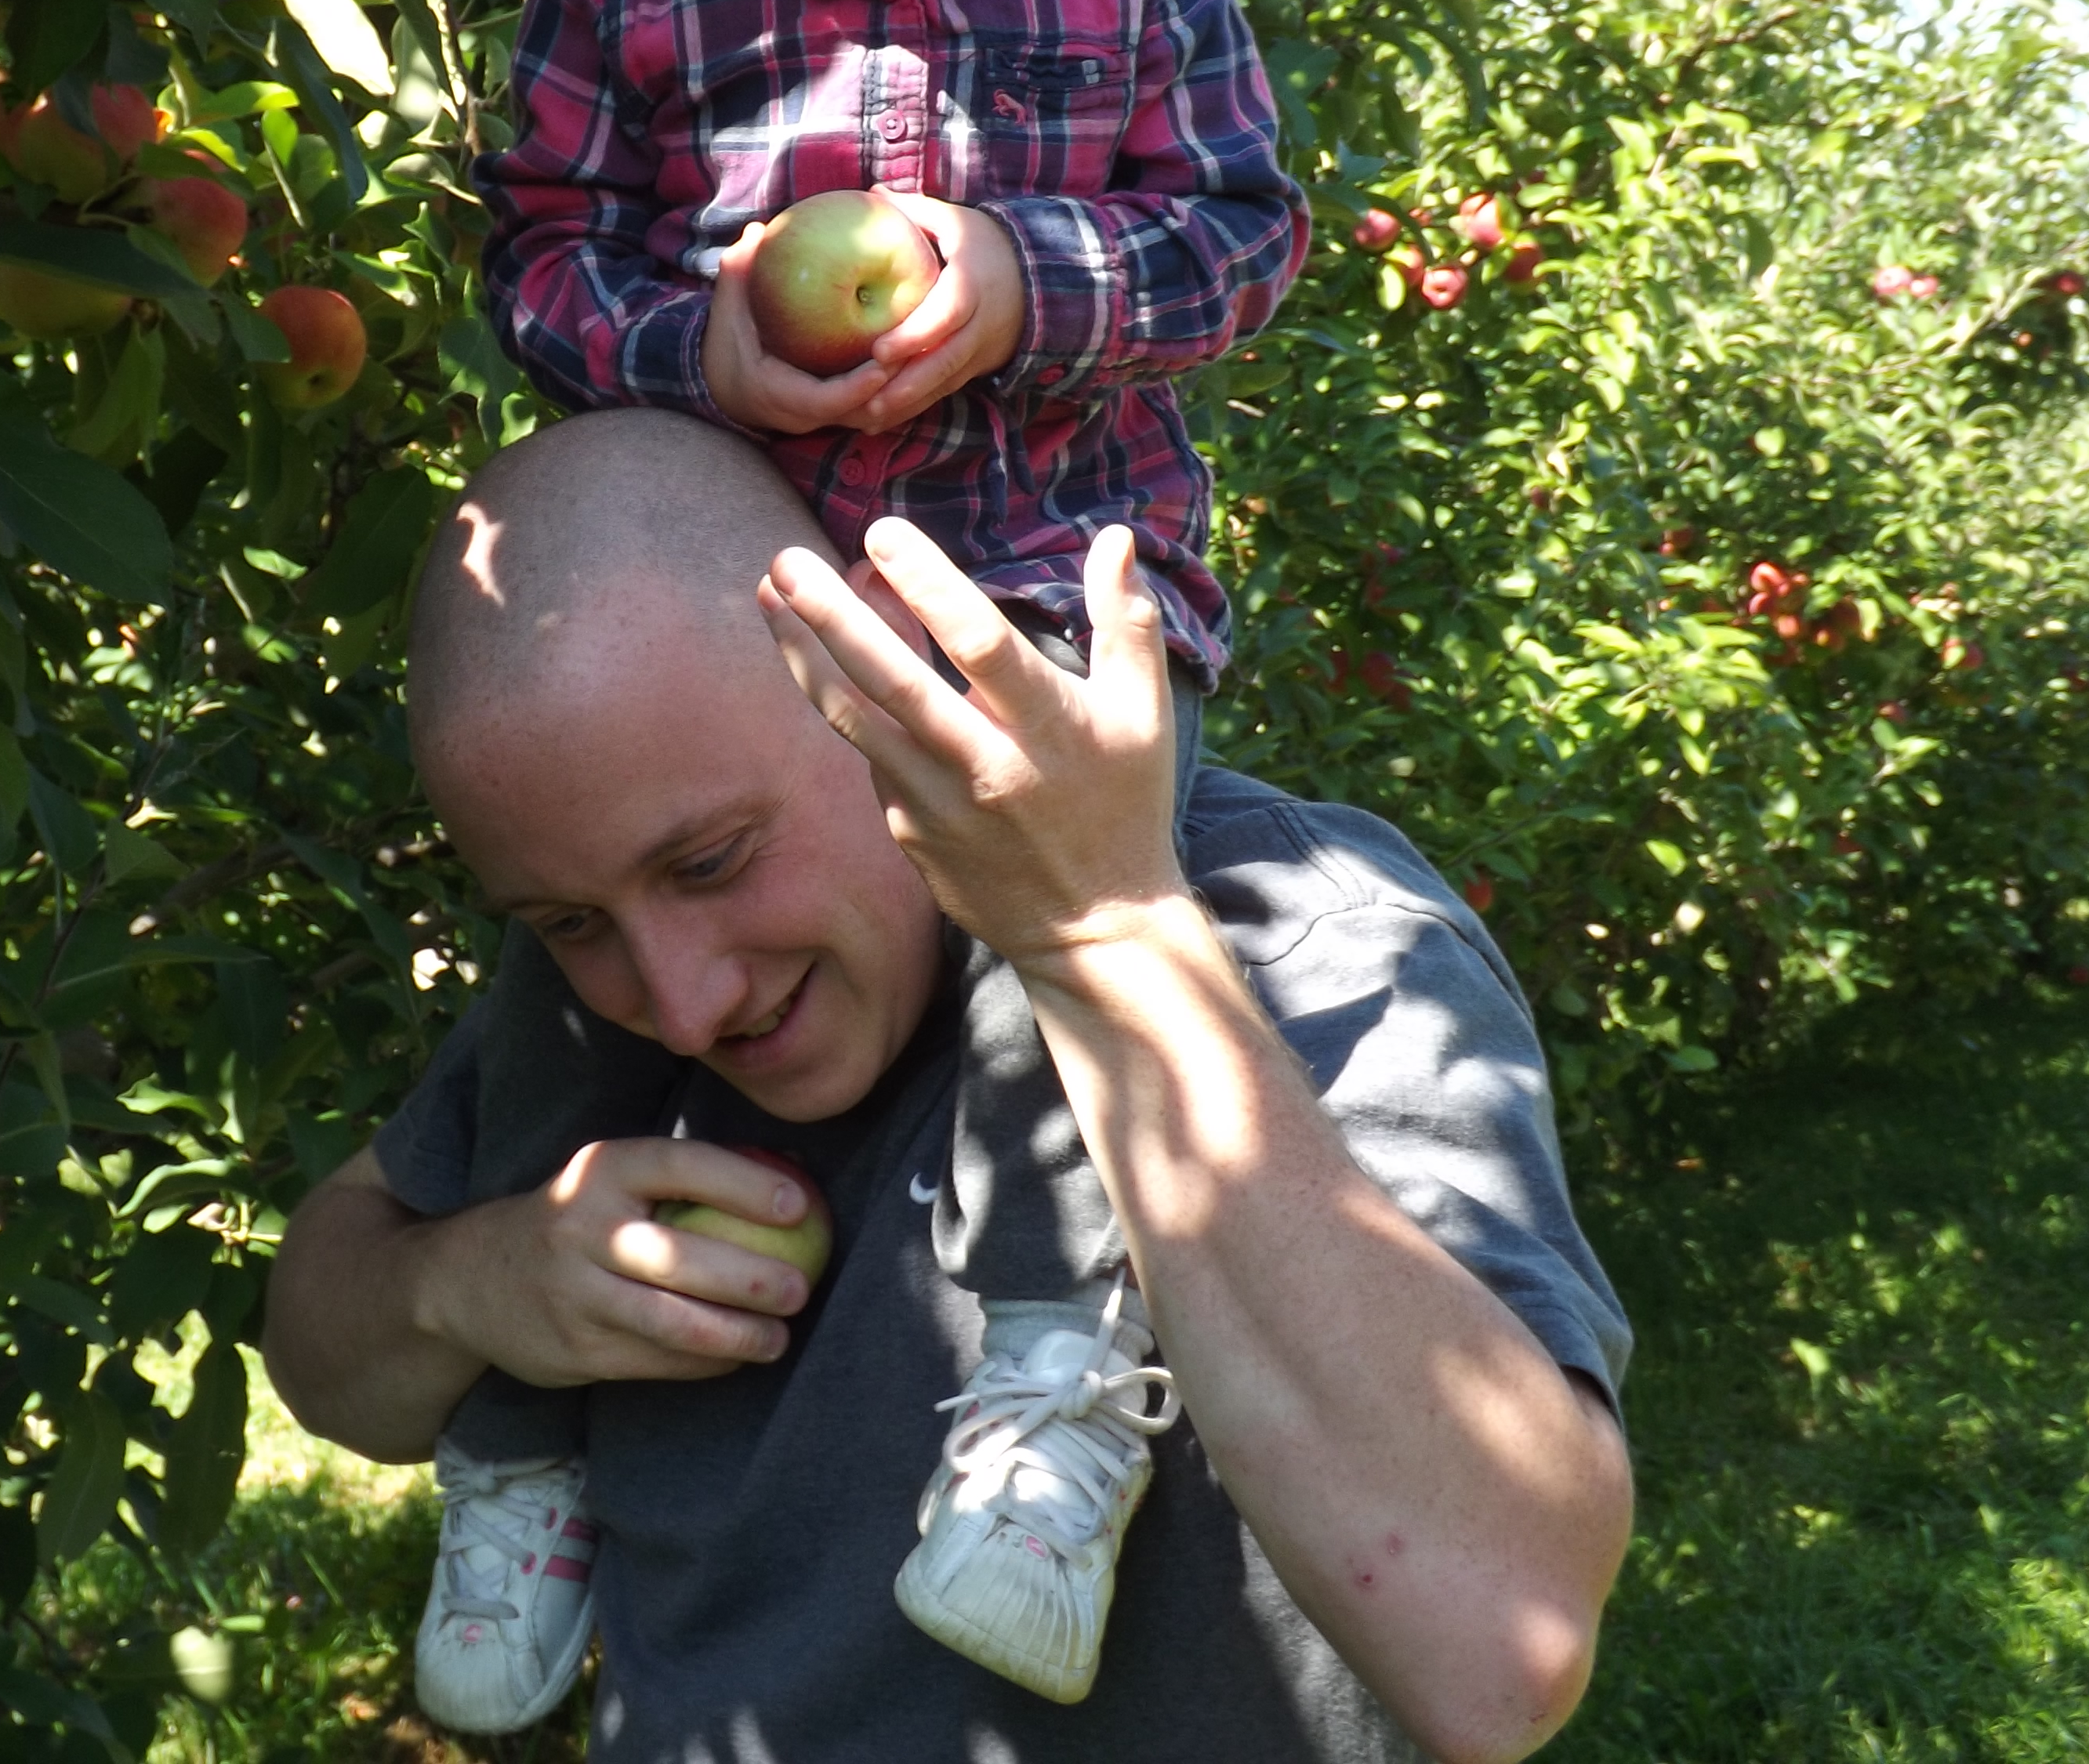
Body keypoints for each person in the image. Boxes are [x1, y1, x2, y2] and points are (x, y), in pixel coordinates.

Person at [436, 0, 1318, 1726]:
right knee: (598, 971)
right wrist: (684, 349)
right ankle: (524, 1454)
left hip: (1035, 589)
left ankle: (1044, 1396)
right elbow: (526, 259)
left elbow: (1247, 241)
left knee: (1066, 954)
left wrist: (1034, 281)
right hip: (725, 626)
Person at [263, 412, 1634, 1763]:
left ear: (871, 666)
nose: (684, 1002)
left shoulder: (1290, 939)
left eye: (712, 862)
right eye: (566, 921)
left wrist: (1101, 938)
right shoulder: (596, 1025)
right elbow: (329, 1364)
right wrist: (472, 1282)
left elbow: (1502, 1656)